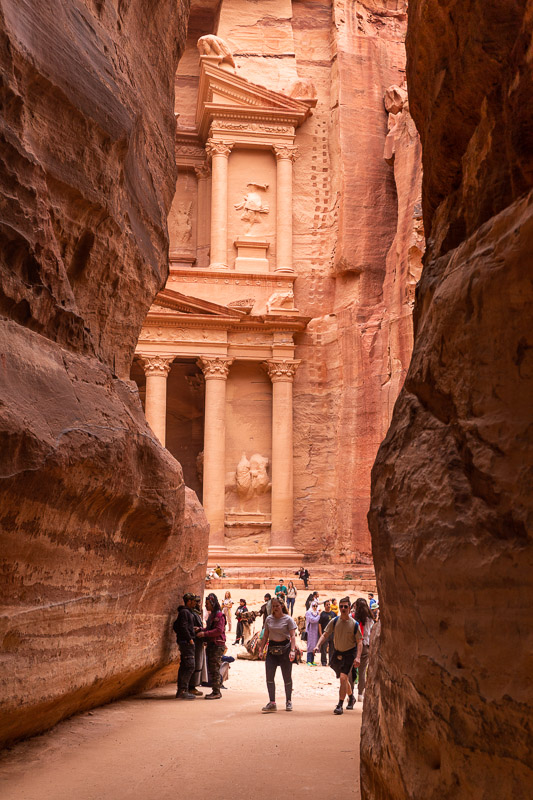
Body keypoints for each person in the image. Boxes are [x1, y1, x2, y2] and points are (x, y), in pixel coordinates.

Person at [314, 596, 362, 715]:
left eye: (346, 606)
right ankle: (351, 697)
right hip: (337, 653)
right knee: (343, 679)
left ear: (350, 608)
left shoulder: (354, 624)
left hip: (349, 653)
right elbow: (325, 634)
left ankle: (340, 704)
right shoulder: (335, 621)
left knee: (343, 678)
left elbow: (359, 641)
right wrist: (317, 645)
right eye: (341, 606)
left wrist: (358, 657)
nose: (343, 608)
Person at [259, 596, 297, 712]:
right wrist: (261, 649)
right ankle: (272, 702)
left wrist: (292, 650)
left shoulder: (288, 619)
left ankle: (289, 701)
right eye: (273, 606)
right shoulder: (269, 619)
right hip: (271, 650)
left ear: (281, 606)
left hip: (285, 650)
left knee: (287, 677)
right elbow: (265, 635)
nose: (275, 608)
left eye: (277, 606)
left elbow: (292, 636)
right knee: (269, 677)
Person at [194, 592, 226, 699]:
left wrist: (204, 634)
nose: (206, 605)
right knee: (211, 668)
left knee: (214, 668)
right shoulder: (212, 615)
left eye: (207, 603)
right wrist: (200, 629)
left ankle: (216, 692)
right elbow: (209, 629)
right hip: (212, 644)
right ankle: (215, 690)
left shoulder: (219, 615)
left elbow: (218, 630)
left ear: (213, 603)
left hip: (217, 645)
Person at [172, 593, 198, 700]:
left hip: (185, 642)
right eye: (193, 601)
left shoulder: (185, 612)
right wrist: (189, 639)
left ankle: (182, 690)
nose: (195, 603)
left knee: (185, 665)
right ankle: (182, 691)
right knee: (189, 666)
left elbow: (177, 626)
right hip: (186, 643)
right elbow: (181, 626)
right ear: (189, 601)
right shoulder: (184, 612)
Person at [354, 597, 375, 701]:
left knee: (351, 670)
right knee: (362, 671)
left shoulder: (353, 619)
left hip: (354, 647)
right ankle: (360, 694)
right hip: (366, 646)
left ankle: (350, 692)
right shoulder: (370, 619)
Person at [188, 595, 205, 697]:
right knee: (193, 664)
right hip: (194, 642)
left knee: (197, 663)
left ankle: (193, 686)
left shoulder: (196, 614)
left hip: (197, 642)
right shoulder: (191, 614)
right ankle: (191, 687)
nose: (198, 604)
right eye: (196, 602)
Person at [318, 599, 337, 666]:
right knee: (323, 648)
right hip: (325, 633)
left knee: (332, 648)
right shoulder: (322, 614)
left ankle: (331, 661)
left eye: (329, 605)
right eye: (327, 605)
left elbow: (336, 624)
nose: (328, 606)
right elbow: (319, 624)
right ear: (324, 606)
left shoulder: (333, 614)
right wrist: (320, 634)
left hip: (332, 633)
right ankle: (324, 661)